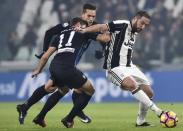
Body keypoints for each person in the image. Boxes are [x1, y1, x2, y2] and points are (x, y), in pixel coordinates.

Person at [17, 17, 110, 128]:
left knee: (60, 89)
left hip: (54, 66)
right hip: (68, 69)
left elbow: (46, 56)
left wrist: (38, 70)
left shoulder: (59, 36)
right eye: (84, 25)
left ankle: (38, 116)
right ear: (77, 25)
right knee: (90, 90)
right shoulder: (82, 32)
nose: (86, 27)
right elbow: (105, 39)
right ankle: (69, 119)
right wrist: (107, 30)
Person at [75, 10, 164, 127]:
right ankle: (159, 112)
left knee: (149, 92)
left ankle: (141, 121)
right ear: (136, 18)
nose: (143, 27)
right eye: (142, 23)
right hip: (114, 67)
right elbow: (102, 27)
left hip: (129, 66)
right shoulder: (122, 24)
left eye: (145, 25)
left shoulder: (134, 33)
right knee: (132, 85)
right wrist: (85, 30)